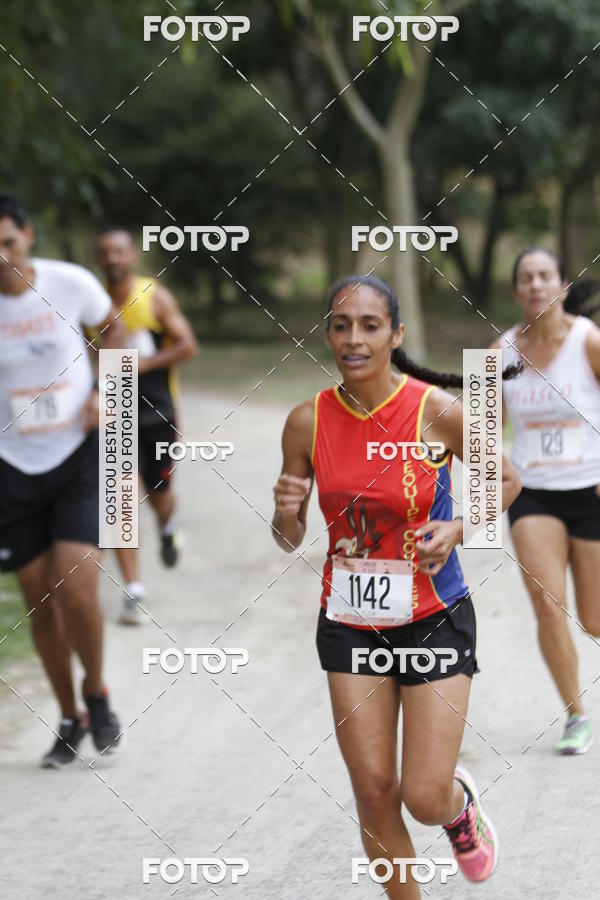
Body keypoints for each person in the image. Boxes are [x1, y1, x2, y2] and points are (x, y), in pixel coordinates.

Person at [271, 274, 521, 897]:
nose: (353, 338)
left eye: (369, 325)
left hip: (433, 613)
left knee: (422, 795)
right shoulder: (306, 421)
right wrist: (284, 512)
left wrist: (460, 527)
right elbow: (289, 537)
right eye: (340, 325)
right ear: (328, 332)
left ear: (396, 334)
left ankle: (459, 805)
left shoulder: (433, 409)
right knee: (375, 793)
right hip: (351, 621)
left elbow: (507, 479)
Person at [0, 193, 127, 768]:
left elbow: (115, 334)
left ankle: (96, 690)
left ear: (28, 236)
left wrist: (107, 393)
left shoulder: (70, 283)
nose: (1, 256)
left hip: (77, 452)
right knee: (39, 602)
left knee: (77, 586)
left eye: (8, 242)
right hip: (12, 465)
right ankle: (69, 716)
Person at [493, 246, 600, 755]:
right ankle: (576, 714)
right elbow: (483, 433)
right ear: (516, 292)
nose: (535, 285)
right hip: (533, 493)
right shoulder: (499, 352)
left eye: (545, 276)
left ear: (561, 285)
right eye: (525, 278)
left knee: (595, 619)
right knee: (547, 605)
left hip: (591, 489)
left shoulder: (590, 340)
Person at [95, 228, 198, 624]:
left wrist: (139, 363)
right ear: (98, 258)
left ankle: (168, 525)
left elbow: (187, 345)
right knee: (120, 497)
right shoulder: (94, 302)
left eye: (118, 251)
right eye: (104, 252)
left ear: (132, 255)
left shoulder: (152, 296)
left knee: (159, 494)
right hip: (114, 412)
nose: (112, 258)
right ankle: (133, 590)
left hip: (159, 413)